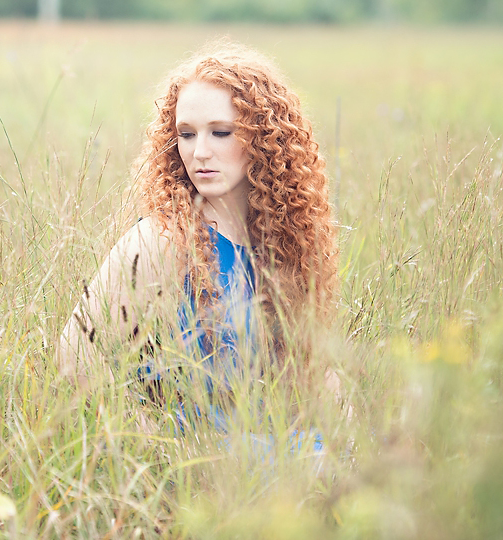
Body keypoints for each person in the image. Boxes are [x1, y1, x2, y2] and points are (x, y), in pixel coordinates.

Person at [55, 41, 337, 433]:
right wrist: (151, 443)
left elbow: (306, 369)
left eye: (220, 132)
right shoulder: (161, 241)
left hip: (267, 451)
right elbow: (75, 360)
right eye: (186, 134)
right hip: (195, 463)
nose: (200, 151)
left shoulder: (283, 245)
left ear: (266, 137)